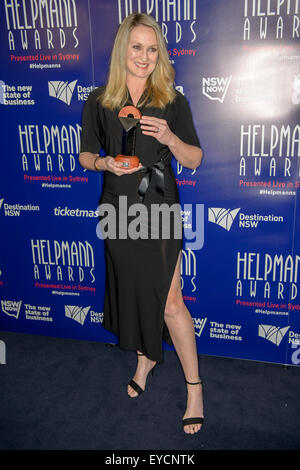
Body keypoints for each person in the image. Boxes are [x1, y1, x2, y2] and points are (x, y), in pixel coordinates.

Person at [79, 12, 204, 435]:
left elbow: (195, 159)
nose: (145, 57)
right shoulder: (100, 100)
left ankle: (195, 389)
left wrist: (170, 138)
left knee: (171, 302)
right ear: (123, 50)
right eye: (137, 47)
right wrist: (104, 162)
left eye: (152, 49)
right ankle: (145, 360)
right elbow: (85, 154)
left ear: (160, 54)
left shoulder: (172, 100)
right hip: (117, 209)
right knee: (132, 292)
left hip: (160, 207)